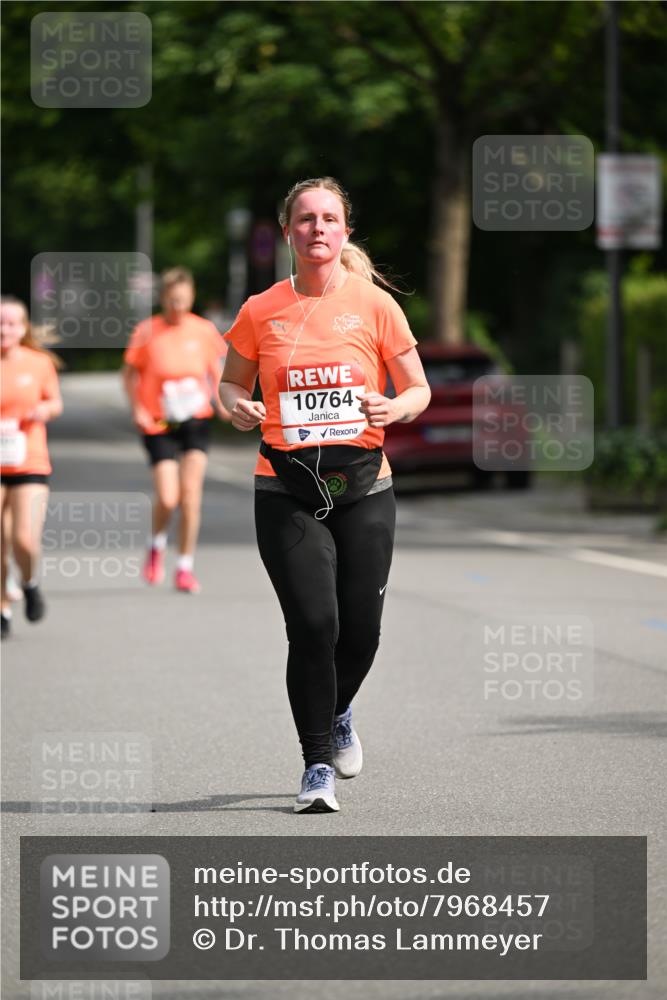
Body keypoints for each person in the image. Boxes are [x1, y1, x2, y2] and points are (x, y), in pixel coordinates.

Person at [220, 177, 431, 813]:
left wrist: (393, 406)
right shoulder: (261, 309)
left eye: (329, 218)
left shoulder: (375, 307)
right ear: (288, 231)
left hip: (367, 484)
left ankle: (338, 708)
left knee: (360, 630)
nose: (317, 228)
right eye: (306, 219)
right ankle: (316, 767)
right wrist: (237, 407)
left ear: (344, 232)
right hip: (283, 485)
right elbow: (229, 385)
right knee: (313, 624)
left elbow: (416, 389)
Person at [122, 267, 230, 594]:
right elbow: (129, 375)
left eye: (183, 300)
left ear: (191, 297)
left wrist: (224, 404)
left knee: (191, 496)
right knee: (168, 497)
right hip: (160, 422)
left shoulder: (204, 330)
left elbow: (216, 370)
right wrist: (138, 409)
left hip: (195, 419)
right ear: (163, 298)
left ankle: (184, 567)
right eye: (172, 300)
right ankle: (156, 545)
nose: (177, 306)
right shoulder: (147, 331)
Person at [1, 296, 63, 640]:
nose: (4, 329)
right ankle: (2, 608)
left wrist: (44, 411)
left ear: (23, 328)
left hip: (29, 460)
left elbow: (55, 401)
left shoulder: (38, 363)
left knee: (23, 538)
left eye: (11, 323)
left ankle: (28, 582)